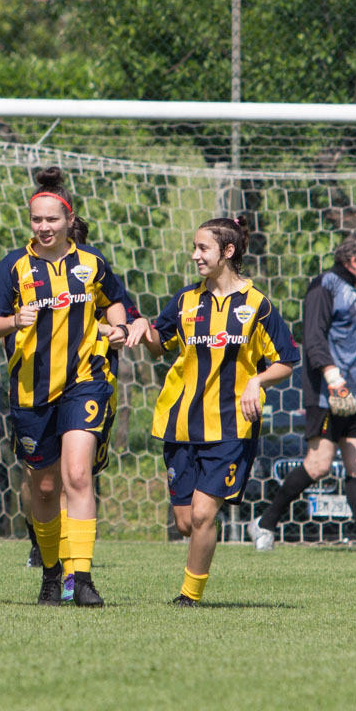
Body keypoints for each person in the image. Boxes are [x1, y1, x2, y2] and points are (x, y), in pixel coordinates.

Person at [0, 167, 148, 607]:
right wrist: (12, 321)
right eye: (37, 220)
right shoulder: (12, 267)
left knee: (78, 475)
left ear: (67, 219)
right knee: (42, 488)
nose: (44, 227)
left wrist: (119, 329)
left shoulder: (91, 263)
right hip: (31, 390)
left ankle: (84, 577)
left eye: (52, 220)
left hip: (85, 381)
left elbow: (117, 303)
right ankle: (51, 574)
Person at [142, 216, 299, 605]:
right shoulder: (185, 301)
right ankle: (193, 576)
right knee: (184, 523)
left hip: (231, 427)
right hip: (181, 423)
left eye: (202, 248)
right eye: (194, 248)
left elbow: (285, 360)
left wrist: (256, 382)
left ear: (227, 252)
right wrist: (137, 329)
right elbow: (158, 345)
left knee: (201, 516)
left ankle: (189, 597)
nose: (195, 255)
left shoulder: (257, 305)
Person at [248, 231, 356, 554]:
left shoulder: (351, 292)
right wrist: (332, 376)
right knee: (318, 465)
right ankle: (265, 521)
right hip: (328, 392)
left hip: (355, 394)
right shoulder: (324, 286)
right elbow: (312, 338)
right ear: (354, 260)